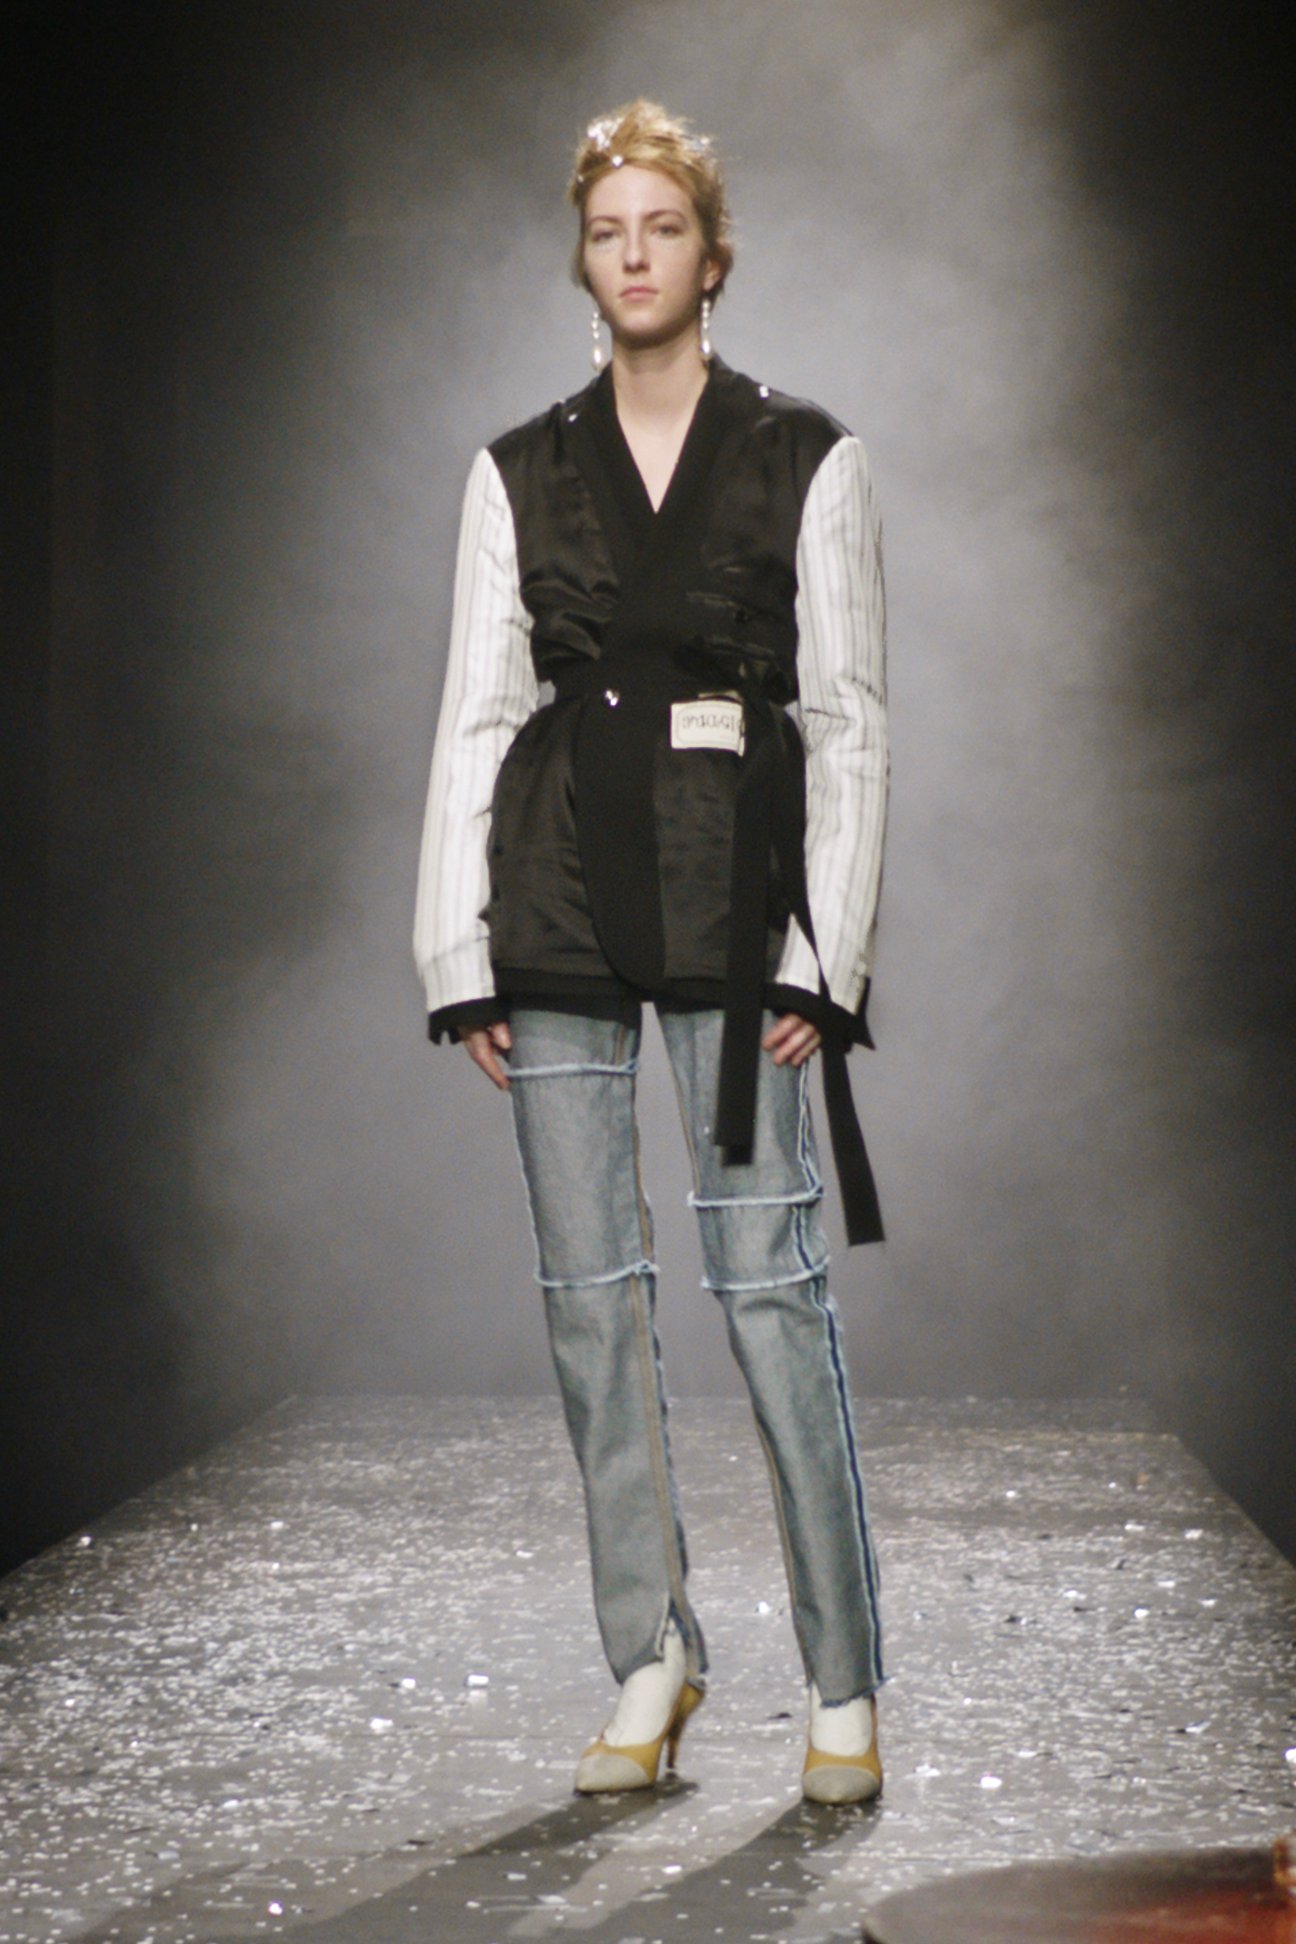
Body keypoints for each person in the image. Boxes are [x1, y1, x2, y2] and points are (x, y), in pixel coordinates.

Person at [414, 99, 889, 1805]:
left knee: (768, 1288)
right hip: (553, 894)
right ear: (583, 257)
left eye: (662, 227)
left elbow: (848, 717)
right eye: (608, 229)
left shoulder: (806, 454)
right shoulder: (517, 469)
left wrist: (829, 958)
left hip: (736, 901)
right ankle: (650, 1651)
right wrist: (456, 949)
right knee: (590, 1300)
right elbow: (480, 712)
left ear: (711, 253)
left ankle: (842, 1678)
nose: (633, 255)